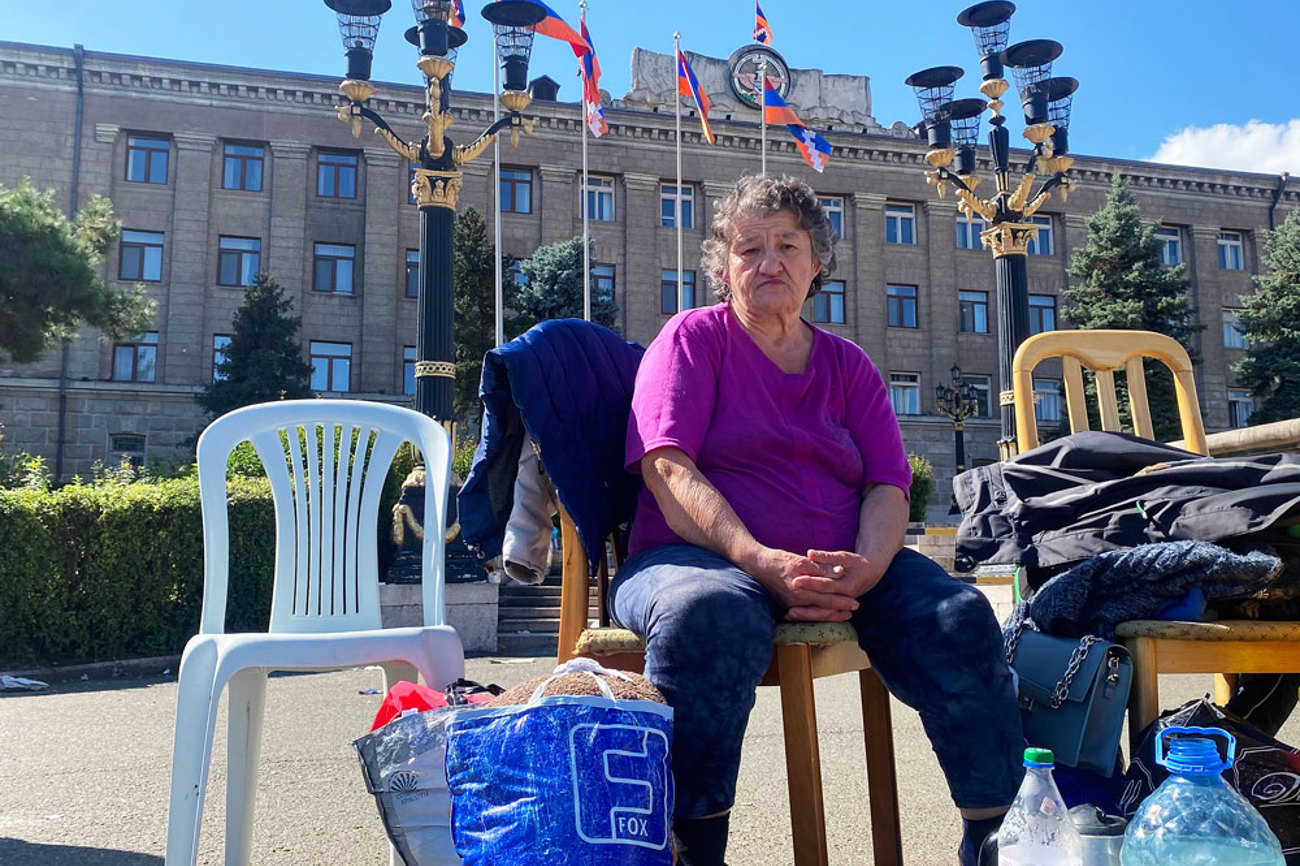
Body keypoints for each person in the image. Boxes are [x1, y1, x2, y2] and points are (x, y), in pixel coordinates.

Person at [609, 174, 1025, 866]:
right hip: (696, 559)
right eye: (749, 248)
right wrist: (758, 558)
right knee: (706, 615)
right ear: (722, 267)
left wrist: (868, 567)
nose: (768, 262)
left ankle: (997, 839)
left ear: (817, 262)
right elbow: (668, 468)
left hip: (842, 562)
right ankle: (685, 852)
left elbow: (888, 483)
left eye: (786, 245)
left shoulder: (849, 364)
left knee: (957, 616)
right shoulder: (692, 339)